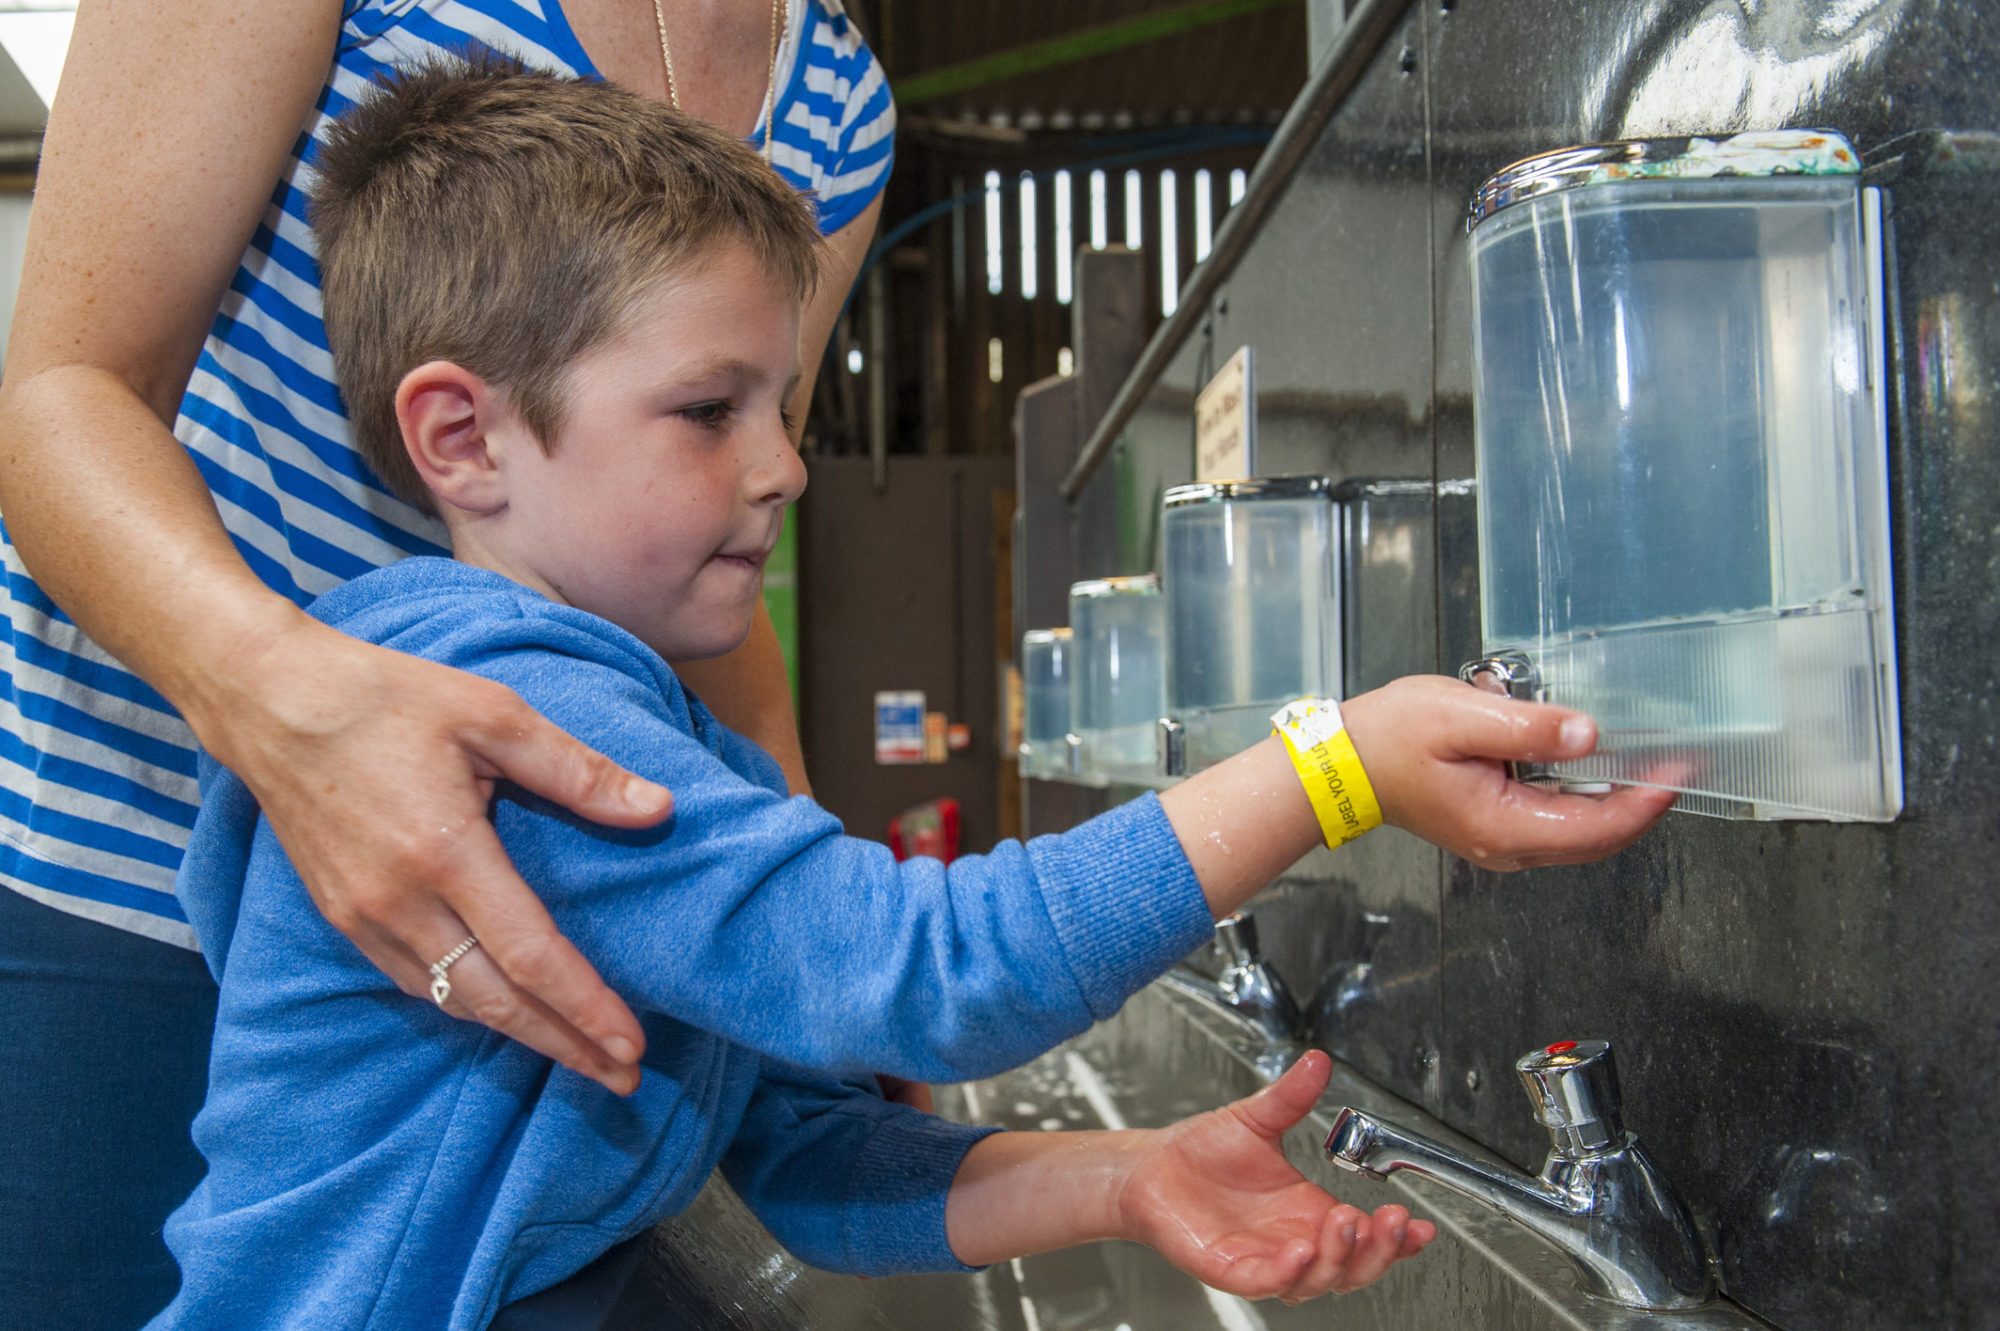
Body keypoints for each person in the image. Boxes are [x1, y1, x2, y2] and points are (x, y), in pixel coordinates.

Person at [146, 56, 1677, 1329]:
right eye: (706, 411)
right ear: (465, 440)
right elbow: (921, 971)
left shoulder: (648, 726)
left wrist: (1129, 1176)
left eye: (786, 405)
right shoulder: (504, 705)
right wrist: (1338, 767)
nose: (783, 468)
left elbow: (804, 1157)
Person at [0, 2, 894, 1324]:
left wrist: (803, 879)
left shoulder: (833, 102)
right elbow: (65, 390)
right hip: (134, 878)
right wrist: (298, 721)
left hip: (507, 933)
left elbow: (697, 546)